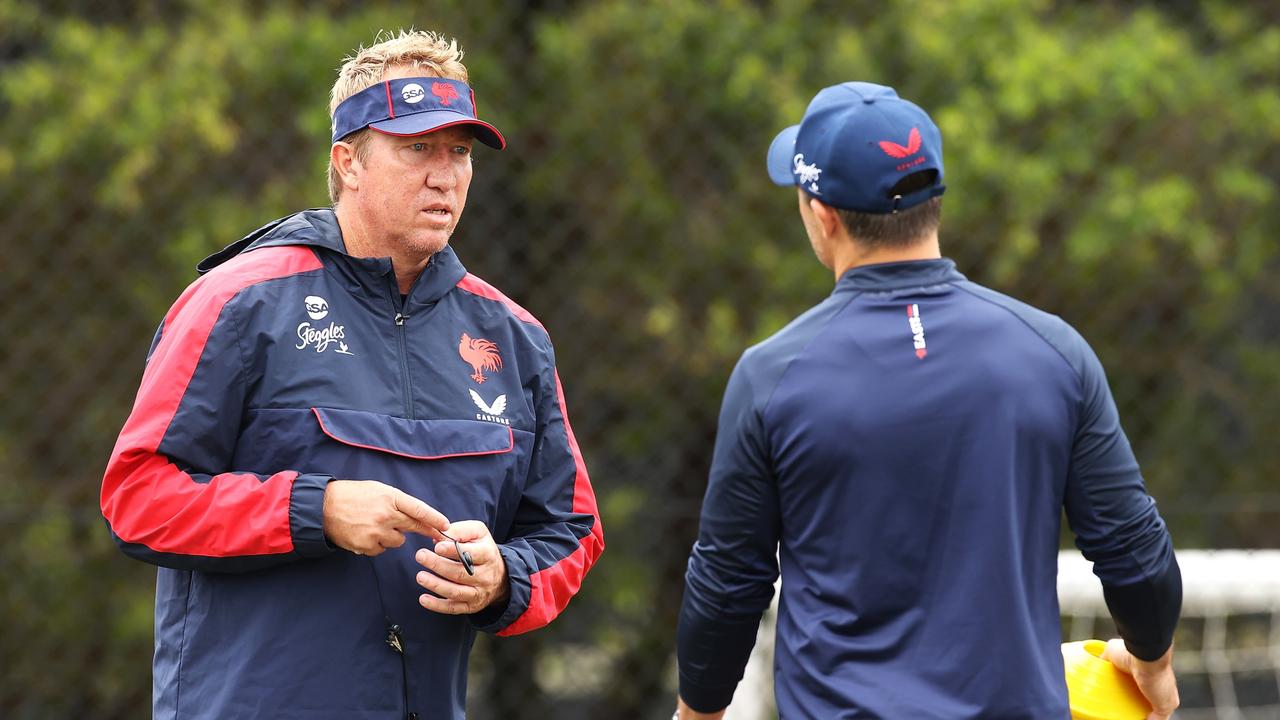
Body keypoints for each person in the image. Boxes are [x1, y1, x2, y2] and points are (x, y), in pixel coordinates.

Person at [100, 30, 603, 720]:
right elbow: (137, 498)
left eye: (459, 152)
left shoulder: (513, 337)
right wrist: (314, 510)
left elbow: (571, 529)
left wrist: (503, 577)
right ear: (349, 162)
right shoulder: (238, 303)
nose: (444, 174)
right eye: (416, 148)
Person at [674, 82, 1180, 719]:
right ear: (933, 199)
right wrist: (1153, 661)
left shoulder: (772, 376)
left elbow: (728, 587)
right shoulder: (1053, 352)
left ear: (822, 214)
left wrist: (698, 713)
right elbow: (1134, 549)